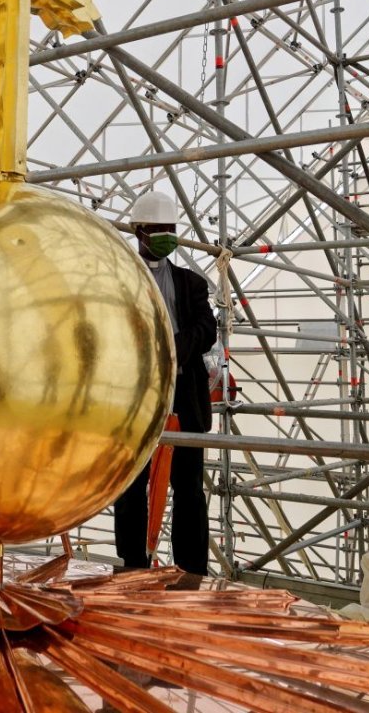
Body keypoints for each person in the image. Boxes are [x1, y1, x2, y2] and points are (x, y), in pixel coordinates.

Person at [113, 190, 218, 576]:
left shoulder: (191, 283)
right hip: (137, 394)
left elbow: (206, 328)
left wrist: (170, 350)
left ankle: (191, 567)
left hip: (184, 394)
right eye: (157, 229)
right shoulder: (121, 279)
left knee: (188, 486)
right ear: (139, 231)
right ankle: (133, 565)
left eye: (170, 229)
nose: (165, 236)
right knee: (132, 484)